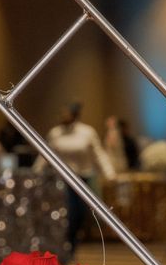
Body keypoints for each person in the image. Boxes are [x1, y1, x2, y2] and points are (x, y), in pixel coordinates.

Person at [45, 102, 117, 256]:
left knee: (80, 213)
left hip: (82, 178)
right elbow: (45, 155)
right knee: (68, 212)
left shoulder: (87, 132)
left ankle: (73, 241)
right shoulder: (55, 133)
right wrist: (35, 173)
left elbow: (98, 154)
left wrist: (109, 173)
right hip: (62, 179)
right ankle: (66, 245)